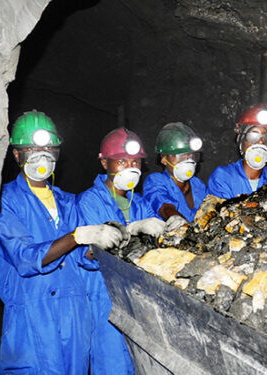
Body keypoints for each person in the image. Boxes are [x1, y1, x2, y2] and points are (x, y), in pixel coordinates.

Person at [0, 110, 124, 373]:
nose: (43, 155)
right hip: (32, 316)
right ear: (17, 154)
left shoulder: (67, 202)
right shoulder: (5, 202)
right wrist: (76, 236)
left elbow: (81, 259)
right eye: (33, 148)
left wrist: (106, 242)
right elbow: (27, 259)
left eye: (49, 147)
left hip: (74, 315)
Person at [76, 128, 166, 375]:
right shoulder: (90, 201)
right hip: (106, 301)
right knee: (112, 367)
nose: (131, 167)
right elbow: (91, 255)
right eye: (122, 161)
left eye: (136, 161)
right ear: (104, 162)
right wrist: (133, 229)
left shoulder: (141, 203)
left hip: (141, 300)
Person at [207, 104, 267, 198]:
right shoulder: (223, 177)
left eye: (266, 138)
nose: (260, 142)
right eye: (253, 136)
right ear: (241, 141)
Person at [143, 122, 207, 228]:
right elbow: (165, 208)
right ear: (164, 158)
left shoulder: (198, 185)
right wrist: (177, 220)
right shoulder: (155, 181)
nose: (188, 160)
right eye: (180, 155)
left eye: (192, 155)